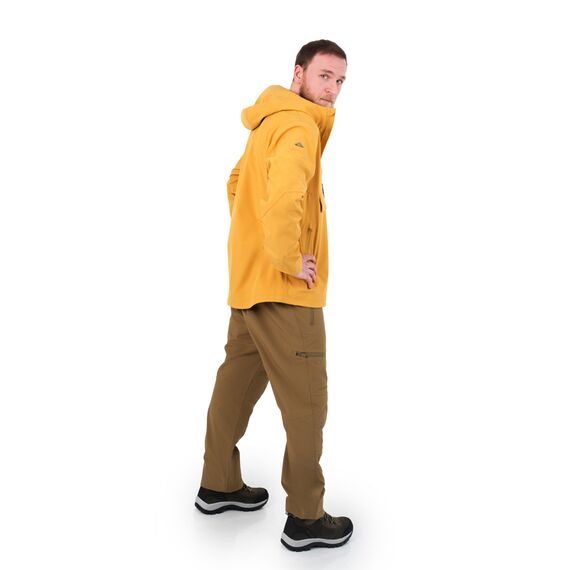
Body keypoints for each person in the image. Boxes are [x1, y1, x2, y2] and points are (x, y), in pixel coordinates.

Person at [195, 39, 353, 552]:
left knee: (235, 384)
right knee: (307, 403)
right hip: (286, 293)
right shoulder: (299, 126)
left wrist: (256, 247)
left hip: (248, 283)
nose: (332, 89)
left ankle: (218, 484)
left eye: (340, 81)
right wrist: (286, 257)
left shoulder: (268, 120)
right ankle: (306, 518)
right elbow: (285, 196)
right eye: (324, 76)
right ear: (298, 73)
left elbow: (236, 182)